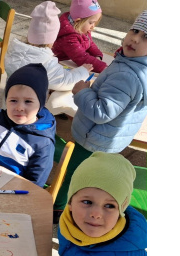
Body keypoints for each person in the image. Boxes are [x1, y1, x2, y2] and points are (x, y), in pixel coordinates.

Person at [52, 10, 147, 213]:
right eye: (135, 31)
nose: (135, 39)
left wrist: (82, 92)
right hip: (108, 138)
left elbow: (101, 113)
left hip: (93, 139)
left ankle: (57, 208)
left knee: (72, 173)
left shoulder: (127, 75)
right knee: (88, 172)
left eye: (146, 37)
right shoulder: (135, 65)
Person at [0, 63, 56, 188]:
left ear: (41, 104)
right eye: (13, 100)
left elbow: (35, 183)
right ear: (6, 100)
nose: (19, 107)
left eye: (28, 101)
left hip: (9, 188)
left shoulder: (43, 142)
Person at [4, 1, 92, 92]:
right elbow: (66, 81)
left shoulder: (14, 52)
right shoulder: (46, 63)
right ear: (51, 39)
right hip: (31, 101)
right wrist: (83, 71)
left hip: (10, 99)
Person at [52, 0, 107, 73]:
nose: (93, 26)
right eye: (91, 23)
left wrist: (97, 55)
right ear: (78, 21)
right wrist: (103, 68)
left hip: (71, 58)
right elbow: (81, 57)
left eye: (95, 23)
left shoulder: (81, 27)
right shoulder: (68, 38)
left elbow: (90, 43)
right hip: (60, 64)